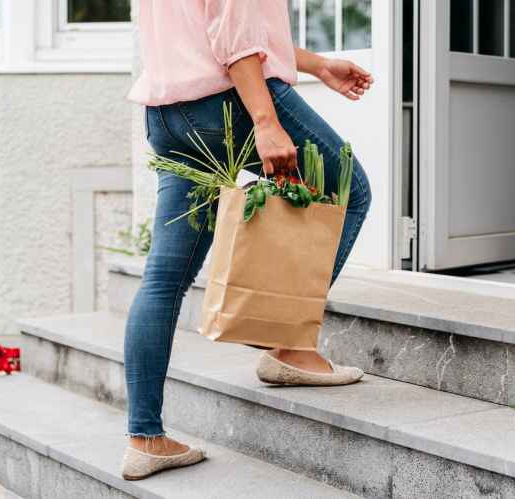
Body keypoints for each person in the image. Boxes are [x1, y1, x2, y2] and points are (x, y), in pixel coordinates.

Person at [121, 0, 374, 481]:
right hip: (229, 102)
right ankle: (289, 348)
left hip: (169, 115)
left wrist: (318, 64)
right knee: (349, 190)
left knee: (164, 279)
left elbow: (220, 29)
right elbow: (235, 43)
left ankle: (145, 439)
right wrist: (265, 121)